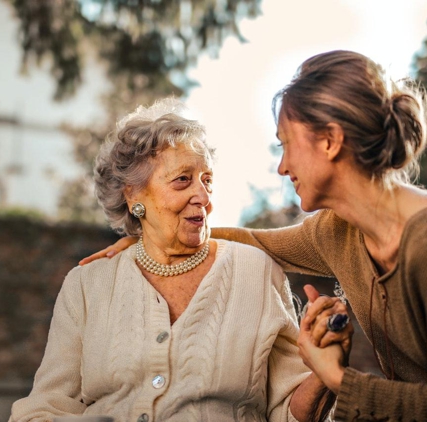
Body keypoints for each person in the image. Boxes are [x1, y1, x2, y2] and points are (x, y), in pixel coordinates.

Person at [81, 50, 427, 421]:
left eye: (286, 144)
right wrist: (152, 236)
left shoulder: (421, 245)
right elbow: (256, 241)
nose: (282, 167)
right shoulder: (336, 232)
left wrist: (337, 378)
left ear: (329, 141)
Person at [10, 98, 343, 421]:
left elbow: (290, 413)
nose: (203, 197)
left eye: (207, 180)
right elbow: (47, 406)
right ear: (133, 194)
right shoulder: (86, 285)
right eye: (183, 179)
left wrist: (324, 372)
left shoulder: (257, 272)